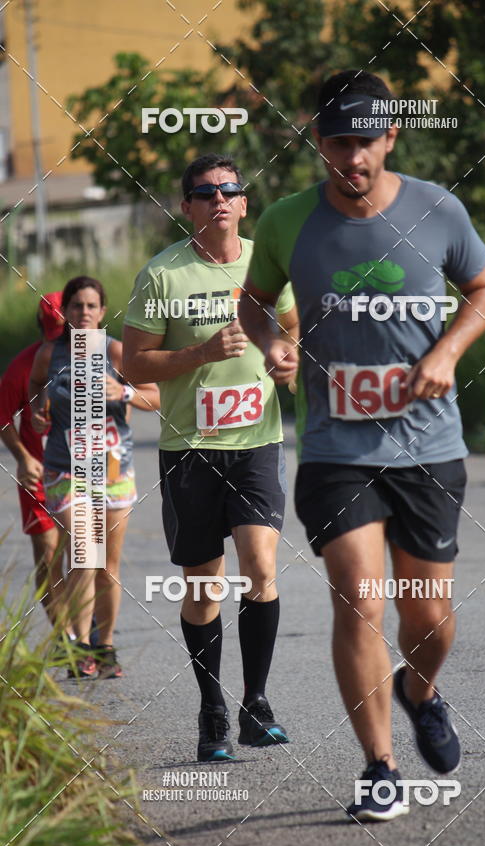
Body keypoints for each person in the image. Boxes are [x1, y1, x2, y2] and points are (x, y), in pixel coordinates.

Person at [239, 70, 485, 820]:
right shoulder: (290, 222)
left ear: (392, 136)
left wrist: (448, 351)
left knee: (428, 615)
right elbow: (255, 302)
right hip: (334, 448)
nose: (352, 157)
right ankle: (381, 767)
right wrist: (273, 344)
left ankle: (418, 688)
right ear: (317, 142)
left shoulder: (437, 210)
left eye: (366, 142)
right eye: (337, 143)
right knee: (359, 599)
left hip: (428, 445)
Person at [122, 153, 298, 762]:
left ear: (244, 203)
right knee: (203, 589)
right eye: (205, 192)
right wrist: (199, 354)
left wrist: (285, 353)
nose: (219, 199)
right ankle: (212, 709)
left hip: (256, 443)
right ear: (187, 207)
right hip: (189, 451)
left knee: (260, 567)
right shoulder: (162, 275)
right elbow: (132, 365)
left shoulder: (267, 263)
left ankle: (256, 704)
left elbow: (292, 326)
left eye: (230, 189)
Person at [29, 276, 160, 679]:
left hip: (113, 470)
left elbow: (154, 397)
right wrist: (38, 409)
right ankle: (80, 647)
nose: (84, 313)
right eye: (76, 306)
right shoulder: (50, 353)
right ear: (65, 312)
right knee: (84, 553)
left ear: (102, 312)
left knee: (108, 566)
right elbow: (35, 389)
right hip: (66, 470)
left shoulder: (117, 352)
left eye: (91, 306)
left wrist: (122, 394)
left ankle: (105, 648)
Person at [0, 292, 67, 624]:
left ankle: (88, 636)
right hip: (39, 476)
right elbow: (1, 417)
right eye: (53, 333)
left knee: (87, 558)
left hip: (82, 472)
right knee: (49, 556)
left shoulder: (94, 357)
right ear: (41, 325)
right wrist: (23, 458)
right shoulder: (22, 367)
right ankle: (65, 638)